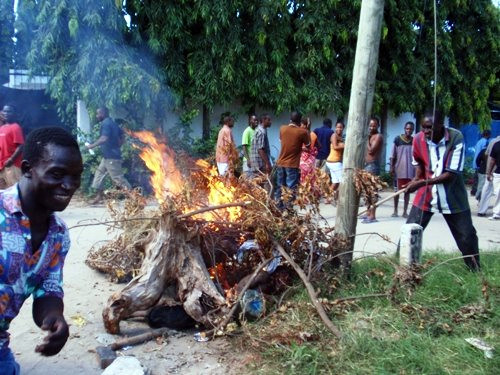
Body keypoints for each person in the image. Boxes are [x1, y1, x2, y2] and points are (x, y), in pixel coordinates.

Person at [0, 126, 83, 373]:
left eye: (75, 176)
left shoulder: (58, 234)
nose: (69, 186)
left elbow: (47, 288)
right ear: (27, 170)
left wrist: (54, 318)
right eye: (57, 174)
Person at [404, 111, 480, 271]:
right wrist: (416, 179)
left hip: (453, 197)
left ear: (441, 126)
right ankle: (405, 271)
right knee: (410, 234)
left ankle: (475, 272)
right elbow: (417, 161)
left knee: (467, 238)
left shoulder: (456, 138)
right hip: (425, 197)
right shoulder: (418, 139)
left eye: (430, 128)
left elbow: (450, 175)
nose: (425, 131)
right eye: (423, 127)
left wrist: (420, 183)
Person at [86, 107, 131, 203]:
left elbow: (104, 138)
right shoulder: (113, 123)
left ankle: (134, 197)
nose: (97, 116)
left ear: (103, 113)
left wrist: (91, 146)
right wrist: (118, 145)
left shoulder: (106, 123)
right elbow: (122, 136)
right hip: (106, 157)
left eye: (98, 114)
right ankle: (99, 197)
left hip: (112, 157)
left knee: (118, 178)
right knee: (99, 175)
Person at [275, 111, 310, 210]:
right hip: (292, 164)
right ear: (299, 121)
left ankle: (278, 208)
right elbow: (308, 147)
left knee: (280, 187)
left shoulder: (282, 129)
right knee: (290, 188)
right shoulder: (302, 132)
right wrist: (307, 128)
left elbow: (285, 143)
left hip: (281, 163)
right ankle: (288, 210)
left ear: (290, 119)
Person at [390, 121, 416, 218]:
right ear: (404, 129)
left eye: (410, 129)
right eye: (407, 128)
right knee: (397, 192)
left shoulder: (414, 141)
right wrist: (391, 167)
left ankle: (405, 211)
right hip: (399, 170)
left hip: (409, 171)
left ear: (413, 130)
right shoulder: (397, 139)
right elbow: (392, 155)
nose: (408, 130)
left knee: (407, 191)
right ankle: (395, 210)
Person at [362, 117, 383, 223]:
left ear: (378, 126)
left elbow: (371, 151)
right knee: (366, 191)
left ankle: (373, 215)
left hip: (373, 166)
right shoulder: (371, 136)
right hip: (366, 165)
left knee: (373, 192)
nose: (371, 127)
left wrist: (366, 138)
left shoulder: (378, 137)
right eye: (370, 125)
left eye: (374, 125)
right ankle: (368, 212)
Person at [0, 105, 24, 190]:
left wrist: (11, 159)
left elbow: (20, 146)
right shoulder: (1, 128)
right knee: (2, 193)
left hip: (12, 166)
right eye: (4, 111)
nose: (6, 113)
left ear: (14, 114)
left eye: (9, 111)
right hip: (1, 166)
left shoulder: (15, 127)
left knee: (15, 190)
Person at [478, 135, 500, 217]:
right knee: (498, 193)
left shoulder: (493, 142)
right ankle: (497, 212)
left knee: (486, 190)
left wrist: (488, 170)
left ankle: (481, 210)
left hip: (490, 169)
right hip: (495, 170)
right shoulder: (495, 142)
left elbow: (486, 154)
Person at [325, 121, 345, 202]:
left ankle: (327, 199)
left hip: (333, 162)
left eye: (341, 127)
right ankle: (340, 199)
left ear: (343, 128)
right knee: (342, 182)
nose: (339, 129)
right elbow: (335, 146)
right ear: (335, 127)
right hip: (334, 162)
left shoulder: (341, 137)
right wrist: (345, 145)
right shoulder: (334, 135)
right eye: (337, 127)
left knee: (336, 182)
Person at [299, 117, 319, 184]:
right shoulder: (313, 134)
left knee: (302, 178)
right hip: (311, 160)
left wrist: (303, 149)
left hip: (303, 159)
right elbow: (319, 146)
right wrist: (314, 150)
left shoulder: (301, 134)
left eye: (301, 124)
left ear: (304, 125)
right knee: (311, 178)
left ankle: (303, 192)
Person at [471, 130, 491, 196]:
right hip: (480, 164)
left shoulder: (479, 141)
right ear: (488, 135)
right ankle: (478, 195)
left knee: (476, 179)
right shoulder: (486, 142)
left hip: (475, 162)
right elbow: (485, 153)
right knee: (480, 181)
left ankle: (473, 191)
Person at [486, 136, 500, 220]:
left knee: (498, 193)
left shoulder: (496, 145)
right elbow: (492, 160)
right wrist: (489, 172)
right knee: (497, 193)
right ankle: (497, 213)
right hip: (498, 173)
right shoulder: (496, 145)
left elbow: (492, 160)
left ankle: (496, 212)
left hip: (497, 173)